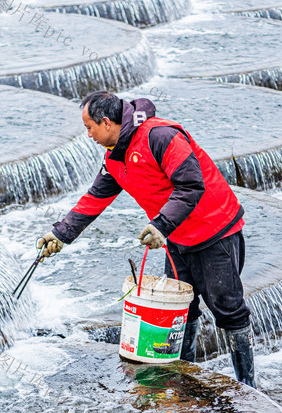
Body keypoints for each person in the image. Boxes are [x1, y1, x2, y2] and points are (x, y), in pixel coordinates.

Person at [36, 91, 256, 388]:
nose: (87, 134)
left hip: (215, 230)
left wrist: (161, 225)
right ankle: (186, 378)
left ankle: (248, 385)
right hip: (177, 238)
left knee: (228, 309)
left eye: (89, 127)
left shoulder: (160, 137)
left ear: (106, 122)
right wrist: (61, 234)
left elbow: (191, 185)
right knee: (180, 308)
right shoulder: (116, 155)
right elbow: (96, 197)